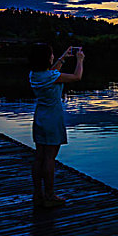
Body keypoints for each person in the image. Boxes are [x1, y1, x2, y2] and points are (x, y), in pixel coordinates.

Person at [29, 44, 84, 207]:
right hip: (52, 120)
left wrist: (63, 57)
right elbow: (76, 77)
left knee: (39, 156)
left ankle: (38, 193)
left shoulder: (34, 74)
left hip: (40, 118)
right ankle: (50, 195)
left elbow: (52, 72)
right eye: (51, 55)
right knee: (50, 158)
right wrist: (80, 60)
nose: (53, 57)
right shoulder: (51, 76)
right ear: (46, 58)